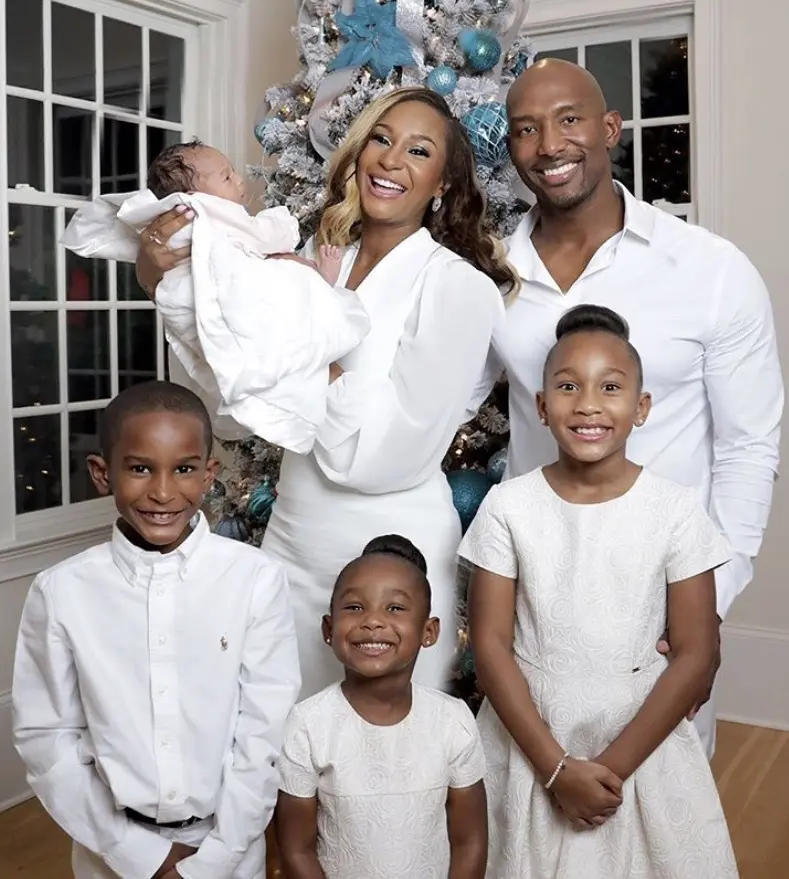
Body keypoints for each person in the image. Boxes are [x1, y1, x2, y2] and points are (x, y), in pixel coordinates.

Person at [134, 87, 516, 698]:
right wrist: (169, 288)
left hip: (395, 563)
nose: (391, 160)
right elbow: (235, 411)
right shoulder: (312, 257)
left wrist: (307, 355)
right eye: (381, 139)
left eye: (419, 151)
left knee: (384, 742)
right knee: (279, 732)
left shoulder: (458, 288)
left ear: (443, 184)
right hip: (291, 542)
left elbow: (389, 456)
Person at [471, 59, 784, 756]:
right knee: (531, 792)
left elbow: (748, 447)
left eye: (570, 120)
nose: (549, 145)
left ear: (611, 129)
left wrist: (709, 600)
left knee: (661, 799)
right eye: (526, 129)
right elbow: (440, 398)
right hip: (535, 599)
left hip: (663, 602)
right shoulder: (489, 276)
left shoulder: (711, 270)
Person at [460, 305, 739, 878]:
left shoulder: (675, 510)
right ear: (542, 407)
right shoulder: (508, 507)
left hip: (640, 740)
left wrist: (609, 771)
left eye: (610, 387)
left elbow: (696, 653)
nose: (588, 404)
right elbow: (489, 648)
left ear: (642, 407)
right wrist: (557, 770)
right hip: (531, 738)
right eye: (568, 386)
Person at [12, 381, 301, 879]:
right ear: (103, 474)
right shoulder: (61, 592)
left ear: (209, 474)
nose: (163, 492)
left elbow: (262, 734)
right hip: (110, 854)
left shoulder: (255, 580)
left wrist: (216, 859)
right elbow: (46, 737)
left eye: (184, 469)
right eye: (140, 468)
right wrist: (140, 856)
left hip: (228, 851)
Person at [62, 140, 369, 455]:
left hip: (225, 306)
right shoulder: (197, 217)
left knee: (280, 293)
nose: (239, 180)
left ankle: (304, 329)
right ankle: (315, 309)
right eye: (226, 176)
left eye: (233, 172)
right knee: (274, 302)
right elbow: (261, 239)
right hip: (206, 301)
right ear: (195, 196)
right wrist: (282, 228)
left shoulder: (188, 223)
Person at [275, 534, 488, 879]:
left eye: (395, 608)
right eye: (355, 607)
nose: (372, 621)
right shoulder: (308, 726)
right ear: (329, 628)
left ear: (429, 631)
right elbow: (296, 850)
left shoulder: (452, 721)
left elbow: (470, 842)